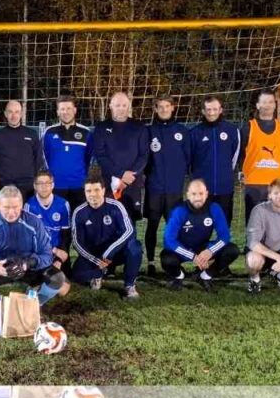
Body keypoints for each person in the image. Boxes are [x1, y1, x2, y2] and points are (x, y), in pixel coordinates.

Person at [0, 186, 69, 306]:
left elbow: (47, 255)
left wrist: (27, 264)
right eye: (6, 207)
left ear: (22, 204)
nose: (11, 212)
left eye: (15, 207)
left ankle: (35, 303)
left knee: (59, 280)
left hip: (28, 269)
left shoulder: (34, 222)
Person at [70, 175, 143, 300]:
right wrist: (96, 260)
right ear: (85, 193)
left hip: (115, 252)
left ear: (103, 190)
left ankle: (129, 286)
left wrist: (108, 253)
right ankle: (98, 275)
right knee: (77, 275)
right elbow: (77, 242)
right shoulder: (79, 212)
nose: (93, 194)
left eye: (97, 190)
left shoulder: (115, 206)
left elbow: (129, 231)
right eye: (89, 191)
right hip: (96, 255)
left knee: (135, 247)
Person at [160, 179, 239, 292]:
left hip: (203, 248)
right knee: (166, 259)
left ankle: (205, 276)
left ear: (206, 193)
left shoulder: (214, 208)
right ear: (187, 194)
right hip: (182, 249)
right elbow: (169, 240)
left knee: (232, 250)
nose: (198, 197)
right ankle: (179, 276)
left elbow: (224, 236)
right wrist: (193, 257)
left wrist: (209, 251)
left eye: (201, 193)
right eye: (194, 194)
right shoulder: (179, 211)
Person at [144, 95, 192, 277]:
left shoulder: (182, 131)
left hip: (174, 190)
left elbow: (188, 159)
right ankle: (150, 262)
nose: (164, 109)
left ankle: (174, 262)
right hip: (154, 189)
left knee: (174, 228)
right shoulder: (148, 131)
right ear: (155, 109)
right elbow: (144, 159)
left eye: (167, 106)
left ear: (173, 108)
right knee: (152, 226)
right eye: (160, 107)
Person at [92, 91, 149, 220]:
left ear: (128, 106)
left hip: (132, 183)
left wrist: (130, 175)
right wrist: (121, 174)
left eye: (124, 105)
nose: (121, 109)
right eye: (118, 105)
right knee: (109, 220)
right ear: (111, 106)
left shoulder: (139, 127)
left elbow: (144, 155)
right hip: (109, 183)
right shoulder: (101, 127)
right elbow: (100, 156)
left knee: (131, 220)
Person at [187, 95, 241, 222]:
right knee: (200, 224)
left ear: (220, 110)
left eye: (215, 109)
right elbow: (190, 160)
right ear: (203, 111)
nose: (211, 113)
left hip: (224, 187)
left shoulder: (232, 131)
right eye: (208, 110)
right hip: (202, 190)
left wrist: (225, 173)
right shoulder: (194, 133)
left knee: (224, 223)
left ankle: (223, 242)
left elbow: (235, 157)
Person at [241, 89, 280, 224]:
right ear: (257, 105)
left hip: (278, 184)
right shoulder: (248, 127)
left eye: (270, 102)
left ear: (275, 104)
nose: (267, 105)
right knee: (254, 224)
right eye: (264, 102)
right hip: (254, 183)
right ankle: (252, 246)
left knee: (277, 224)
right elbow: (241, 154)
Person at [42, 95, 92, 210]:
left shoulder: (85, 132)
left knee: (78, 221)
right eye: (62, 109)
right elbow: (44, 157)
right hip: (56, 186)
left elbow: (88, 158)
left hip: (79, 186)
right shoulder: (49, 132)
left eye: (69, 108)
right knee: (58, 220)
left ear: (75, 110)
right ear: (58, 112)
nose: (66, 112)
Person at [0, 100, 44, 202]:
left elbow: (38, 158)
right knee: (4, 216)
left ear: (21, 113)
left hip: (27, 186)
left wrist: (30, 177)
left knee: (26, 216)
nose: (14, 115)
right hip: (5, 186)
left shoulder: (32, 134)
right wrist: (3, 178)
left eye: (17, 112)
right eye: (10, 112)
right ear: (5, 114)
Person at [24, 170, 72, 272]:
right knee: (35, 275)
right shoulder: (29, 206)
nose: (44, 187)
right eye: (40, 184)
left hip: (58, 250)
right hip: (38, 251)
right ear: (35, 186)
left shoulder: (63, 204)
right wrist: (51, 250)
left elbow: (66, 235)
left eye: (47, 183)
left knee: (65, 275)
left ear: (53, 185)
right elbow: (28, 237)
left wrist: (59, 258)